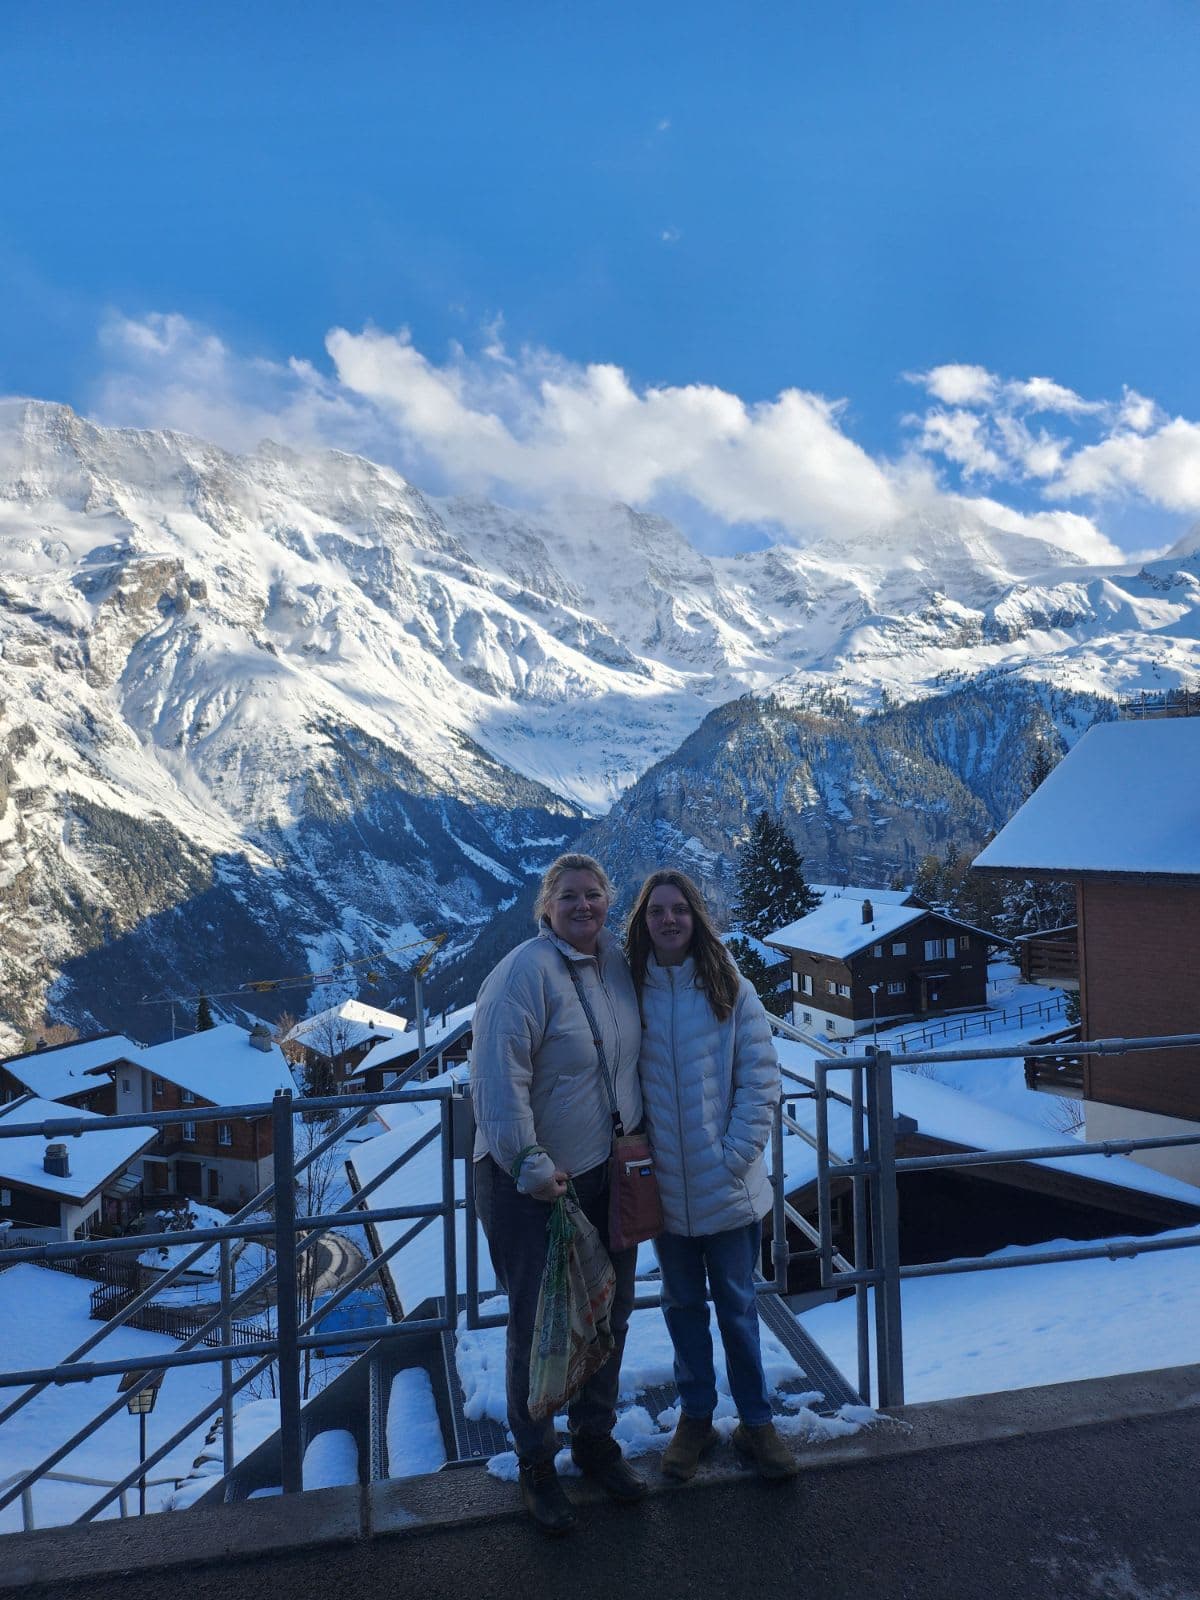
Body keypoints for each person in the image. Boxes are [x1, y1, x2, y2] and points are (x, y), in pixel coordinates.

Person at [470, 852, 647, 1533]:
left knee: (612, 1312)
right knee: (540, 1328)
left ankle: (594, 1439)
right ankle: (537, 1462)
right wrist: (528, 1161)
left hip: (609, 1169)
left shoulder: (616, 969)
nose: (583, 906)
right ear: (546, 906)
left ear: (609, 902)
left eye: (594, 895)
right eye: (569, 896)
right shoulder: (521, 973)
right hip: (531, 1182)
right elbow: (496, 1080)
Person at [627, 868, 799, 1481]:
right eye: (657, 911)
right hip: (666, 1192)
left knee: (737, 1307)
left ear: (696, 916)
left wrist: (736, 1155)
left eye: (679, 909)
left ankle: (758, 1423)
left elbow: (761, 1078)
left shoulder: (728, 983)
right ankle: (695, 1418)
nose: (668, 920)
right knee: (681, 1309)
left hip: (726, 1185)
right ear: (643, 921)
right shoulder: (629, 987)